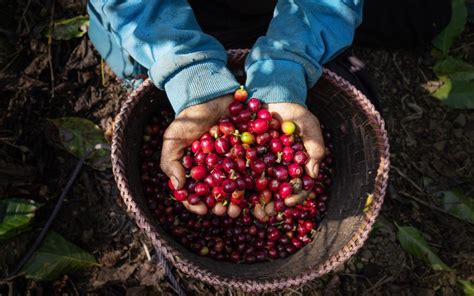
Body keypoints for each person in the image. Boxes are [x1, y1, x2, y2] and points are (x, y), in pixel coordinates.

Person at [87, 0, 451, 196]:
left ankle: (279, 33)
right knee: (137, 45)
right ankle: (162, 60)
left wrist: (286, 62)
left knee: (428, 16)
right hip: (168, 10)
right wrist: (187, 70)